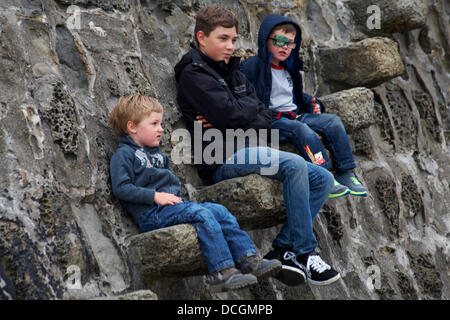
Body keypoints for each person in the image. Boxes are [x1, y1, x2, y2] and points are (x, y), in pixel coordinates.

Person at [174, 5, 341, 286]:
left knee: (323, 178)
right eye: (223, 39)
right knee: (295, 163)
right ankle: (305, 251)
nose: (230, 46)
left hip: (250, 148)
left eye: (234, 39)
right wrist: (239, 114)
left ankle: (284, 247)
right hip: (221, 158)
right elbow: (234, 115)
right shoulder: (193, 73)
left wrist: (237, 115)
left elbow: (261, 114)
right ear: (202, 38)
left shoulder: (234, 71)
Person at [108, 94, 281, 293]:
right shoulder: (124, 155)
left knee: (219, 211)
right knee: (202, 214)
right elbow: (122, 188)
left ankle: (248, 259)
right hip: (152, 213)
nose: (161, 129)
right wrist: (154, 196)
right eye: (154, 124)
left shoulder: (157, 155)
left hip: (173, 207)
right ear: (132, 127)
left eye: (161, 123)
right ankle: (220, 271)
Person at [240, 14, 368, 199]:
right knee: (302, 130)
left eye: (290, 43)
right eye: (280, 40)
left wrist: (312, 103)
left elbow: (295, 97)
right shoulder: (253, 66)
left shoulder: (289, 69)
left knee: (332, 121)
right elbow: (245, 96)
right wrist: (263, 115)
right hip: (270, 121)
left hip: (294, 115)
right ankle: (324, 174)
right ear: (265, 38)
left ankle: (345, 172)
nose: (285, 47)